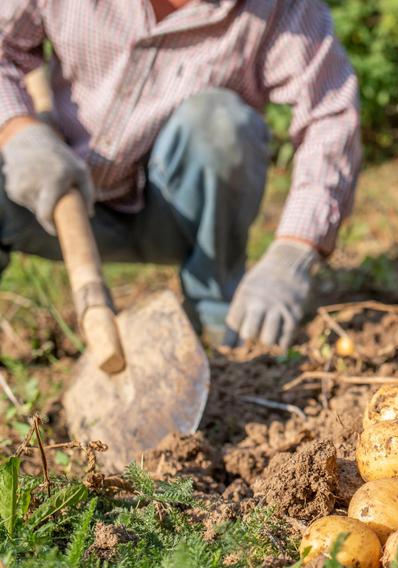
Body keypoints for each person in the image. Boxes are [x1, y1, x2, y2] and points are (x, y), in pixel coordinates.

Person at [0, 0, 361, 349]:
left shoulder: (282, 8)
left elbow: (328, 118)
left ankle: (218, 318)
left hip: (177, 213)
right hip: (50, 200)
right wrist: (18, 131)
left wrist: (295, 248)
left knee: (219, 122)